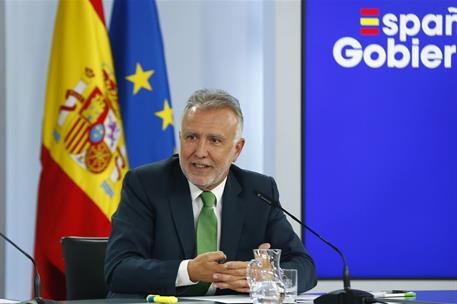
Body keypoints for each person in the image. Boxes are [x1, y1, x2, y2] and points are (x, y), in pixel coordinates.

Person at [104, 89, 317, 297]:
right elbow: (118, 269)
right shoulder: (146, 184)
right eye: (191, 137)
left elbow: (305, 266)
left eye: (214, 140)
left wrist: (266, 276)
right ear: (180, 137)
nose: (200, 152)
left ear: (237, 149)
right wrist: (188, 271)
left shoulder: (258, 191)